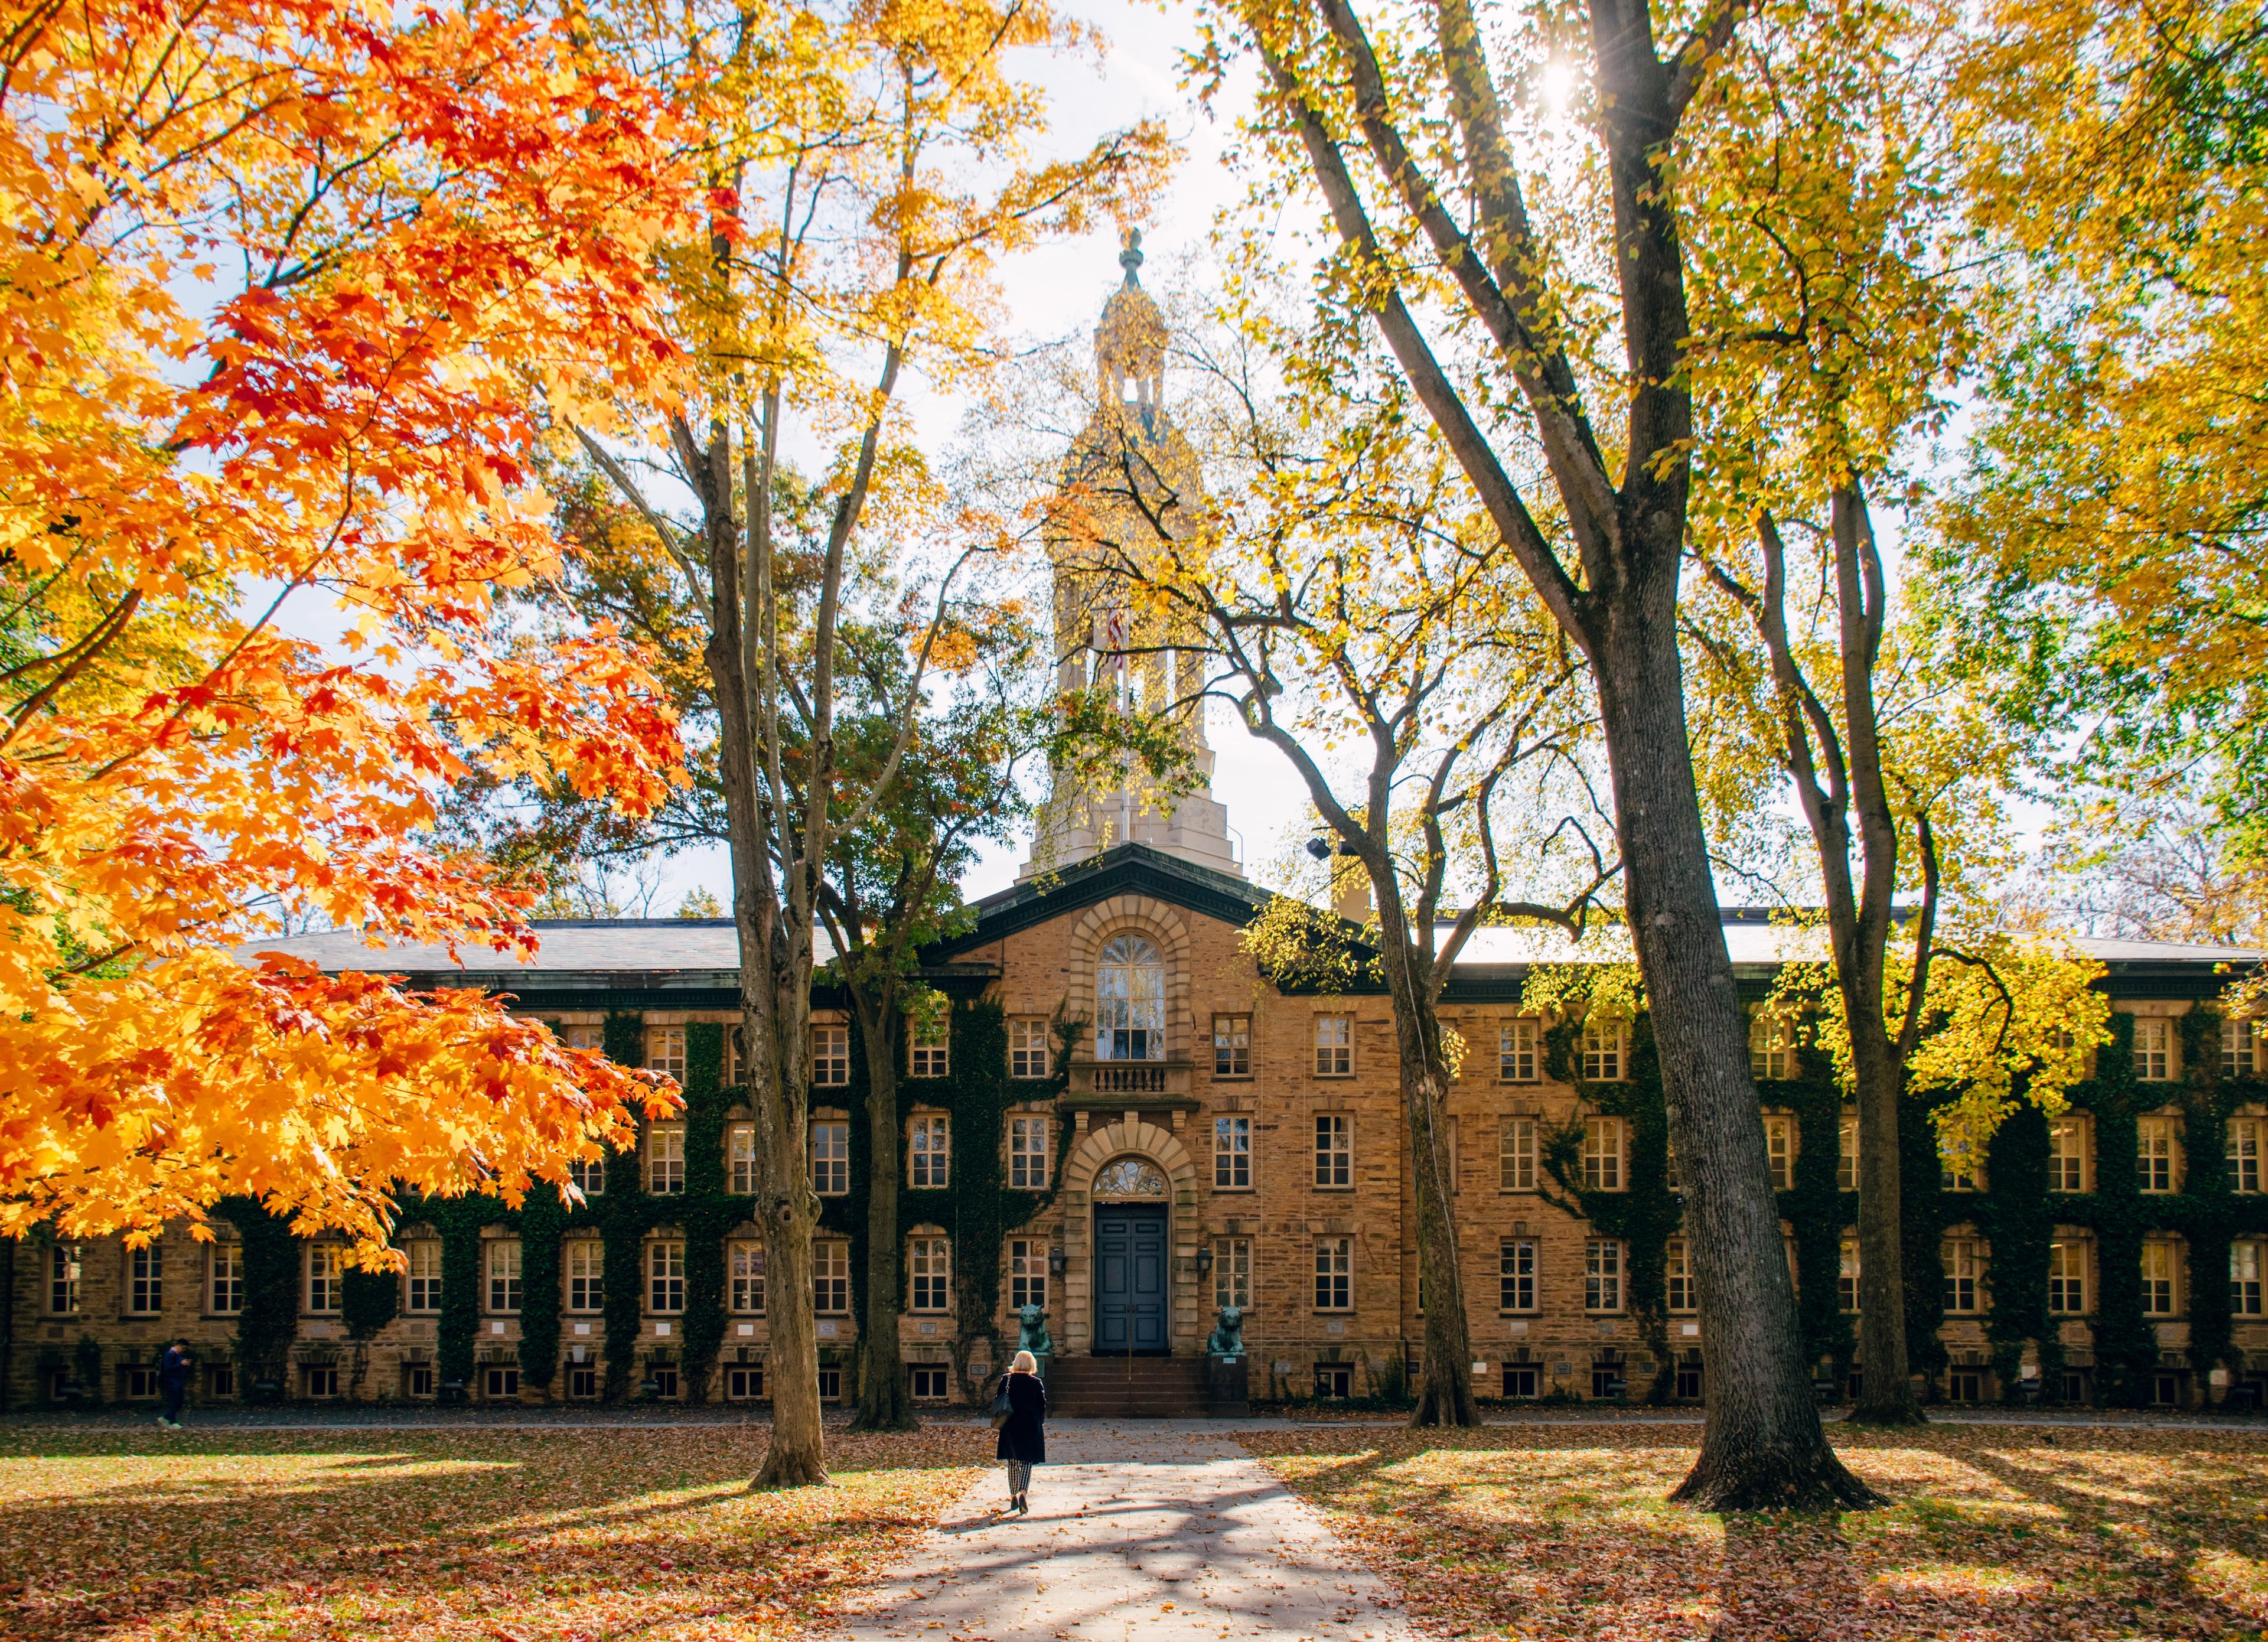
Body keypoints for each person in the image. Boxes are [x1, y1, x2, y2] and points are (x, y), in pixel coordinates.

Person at [995, 1348, 1046, 1514]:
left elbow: (998, 1400)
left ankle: (1013, 1496)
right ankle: (1023, 1492)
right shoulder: (1036, 1383)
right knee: (1027, 1461)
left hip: (1010, 1424)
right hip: (1030, 1425)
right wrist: (1040, 1422)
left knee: (1013, 1462)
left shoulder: (1006, 1380)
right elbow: (1042, 1406)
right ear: (1032, 1364)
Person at [157, 1339, 190, 1430]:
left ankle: (165, 1418)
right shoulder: (170, 1355)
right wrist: (181, 1364)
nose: (184, 1350)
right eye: (184, 1348)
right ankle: (172, 1422)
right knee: (173, 1401)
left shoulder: (178, 1355)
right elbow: (167, 1369)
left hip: (179, 1381)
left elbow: (179, 1367)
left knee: (180, 1402)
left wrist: (184, 1365)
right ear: (180, 1346)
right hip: (171, 1381)